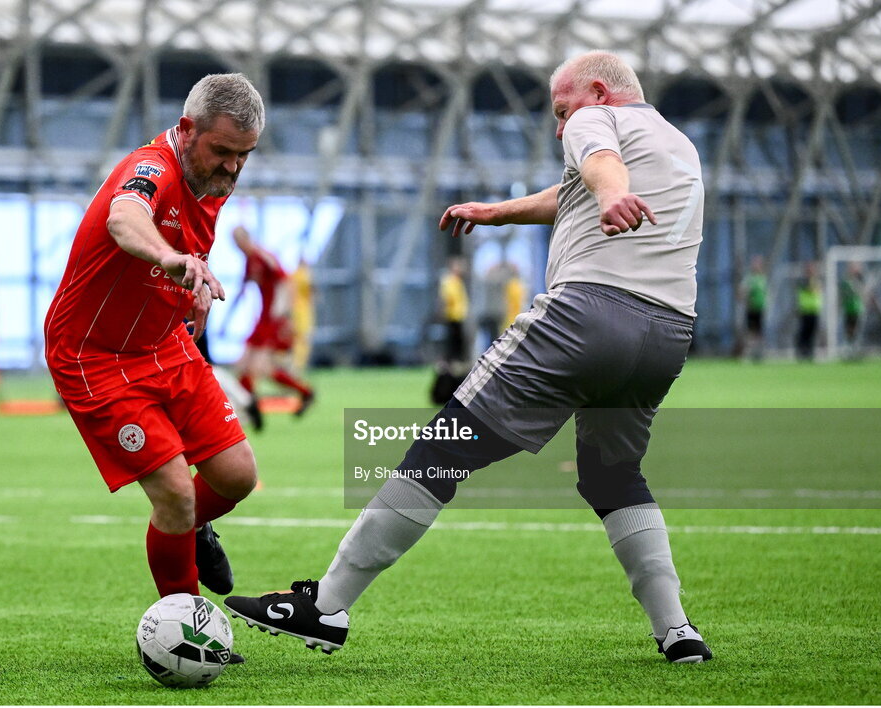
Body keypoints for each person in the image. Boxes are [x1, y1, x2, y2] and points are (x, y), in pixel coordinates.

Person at [225, 51, 712, 664]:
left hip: (587, 316)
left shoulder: (596, 121)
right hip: (666, 336)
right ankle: (677, 631)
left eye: (561, 111)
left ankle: (325, 606)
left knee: (441, 447)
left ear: (595, 92)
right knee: (613, 475)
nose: (561, 127)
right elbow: (573, 192)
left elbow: (598, 165)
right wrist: (496, 211)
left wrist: (612, 194)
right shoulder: (679, 146)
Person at [43, 75, 264, 649]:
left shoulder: (212, 181)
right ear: (186, 130)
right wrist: (169, 256)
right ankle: (185, 634)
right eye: (223, 151)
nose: (234, 168)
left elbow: (192, 244)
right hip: (93, 356)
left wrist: (191, 285)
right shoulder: (152, 167)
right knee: (175, 492)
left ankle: (192, 529)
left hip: (164, 343)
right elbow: (124, 218)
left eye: (245, 155)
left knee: (237, 476)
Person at [230, 226, 315, 430]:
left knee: (260, 367)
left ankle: (251, 408)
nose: (237, 246)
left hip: (274, 319)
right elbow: (244, 287)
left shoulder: (264, 256)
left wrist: (285, 315)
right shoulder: (250, 261)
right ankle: (248, 407)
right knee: (242, 364)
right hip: (262, 320)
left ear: (245, 239)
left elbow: (286, 282)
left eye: (238, 241)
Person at [438, 256, 469, 363]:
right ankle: (451, 361)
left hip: (459, 314)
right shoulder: (448, 280)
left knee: (458, 340)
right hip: (452, 315)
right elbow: (446, 297)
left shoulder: (458, 281)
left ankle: (456, 360)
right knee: (452, 340)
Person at [290, 258, 316, 374]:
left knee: (295, 339)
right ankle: (298, 366)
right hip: (304, 311)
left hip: (294, 310)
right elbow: (312, 291)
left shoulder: (293, 275)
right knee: (304, 339)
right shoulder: (305, 275)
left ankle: (294, 365)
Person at [741, 254, 767, 361]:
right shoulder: (750, 278)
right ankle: (748, 354)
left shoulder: (763, 278)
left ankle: (759, 354)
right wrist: (746, 298)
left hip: (760, 309)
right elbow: (742, 292)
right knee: (751, 333)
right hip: (751, 309)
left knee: (759, 333)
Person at [795, 261, 822, 360]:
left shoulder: (816, 281)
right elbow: (810, 289)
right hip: (805, 310)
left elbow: (817, 291)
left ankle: (810, 352)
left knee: (812, 333)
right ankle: (802, 352)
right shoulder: (803, 281)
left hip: (815, 310)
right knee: (804, 333)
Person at [840, 262, 865, 358]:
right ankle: (849, 350)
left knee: (857, 330)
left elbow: (862, 292)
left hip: (857, 308)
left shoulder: (860, 280)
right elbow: (843, 293)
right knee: (849, 330)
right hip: (848, 308)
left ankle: (856, 349)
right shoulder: (846, 281)